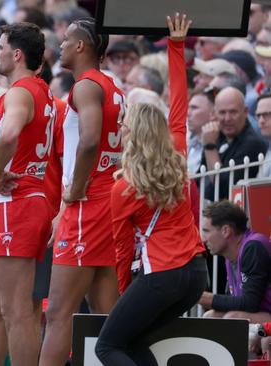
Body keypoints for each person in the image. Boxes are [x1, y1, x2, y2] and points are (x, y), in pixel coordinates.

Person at [94, 14, 208, 365]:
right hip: (196, 274)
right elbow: (179, 108)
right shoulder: (176, 154)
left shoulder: (124, 187)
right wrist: (176, 46)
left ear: (130, 134)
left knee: (106, 346)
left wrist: (128, 291)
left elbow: (122, 246)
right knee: (133, 338)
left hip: (161, 274)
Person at [40, 17, 122, 365]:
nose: (59, 44)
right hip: (109, 199)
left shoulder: (86, 86)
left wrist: (74, 189)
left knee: (59, 313)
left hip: (89, 202)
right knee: (108, 313)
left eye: (66, 39)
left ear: (81, 46)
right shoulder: (113, 86)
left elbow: (89, 140)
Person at [0, 22, 53, 365]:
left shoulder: (20, 92)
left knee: (16, 311)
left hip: (17, 202)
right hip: (33, 199)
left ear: (17, 54)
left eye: (0, 46)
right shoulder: (42, 90)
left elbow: (7, 135)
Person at [199, 200, 271, 324]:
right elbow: (235, 301)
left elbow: (250, 304)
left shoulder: (253, 247)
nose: (203, 239)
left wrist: (201, 297)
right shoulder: (231, 256)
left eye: (206, 231)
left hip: (266, 314)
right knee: (210, 316)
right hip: (261, 315)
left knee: (232, 319)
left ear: (226, 231)